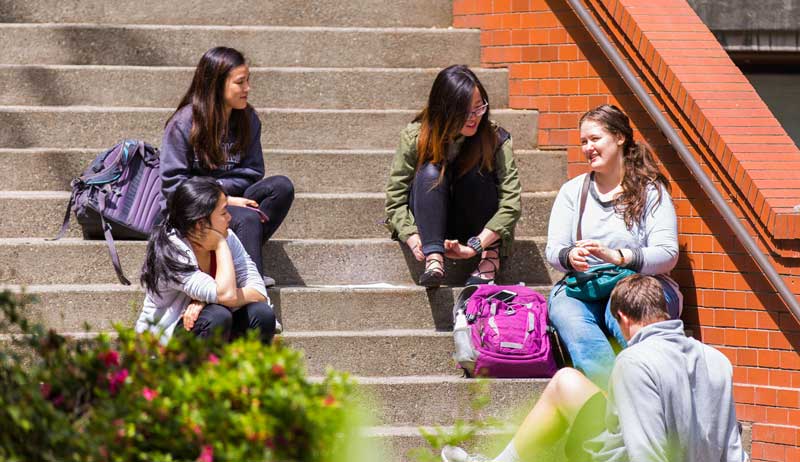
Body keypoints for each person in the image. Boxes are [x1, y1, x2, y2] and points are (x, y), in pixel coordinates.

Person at [442, 275, 748, 462]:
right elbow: (734, 449)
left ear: (623, 318)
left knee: (564, 383)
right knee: (566, 380)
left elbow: (646, 451)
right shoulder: (717, 359)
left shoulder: (635, 362)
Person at [545, 104, 681, 386]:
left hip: (639, 282)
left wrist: (618, 256)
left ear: (620, 138)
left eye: (595, 139)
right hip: (586, 284)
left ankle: (650, 389)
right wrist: (571, 256)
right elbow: (553, 250)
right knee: (567, 314)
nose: (587, 148)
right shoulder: (573, 191)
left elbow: (668, 254)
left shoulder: (650, 190)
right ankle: (615, 398)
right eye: (583, 141)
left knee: (621, 310)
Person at [160, 46, 294, 288]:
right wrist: (223, 199)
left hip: (230, 200)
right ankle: (252, 289)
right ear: (217, 84)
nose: (247, 89)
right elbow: (174, 184)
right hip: (194, 208)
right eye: (240, 82)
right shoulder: (184, 123)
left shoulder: (248, 119)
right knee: (247, 218)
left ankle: (238, 258)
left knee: (281, 187)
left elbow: (253, 172)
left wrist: (226, 196)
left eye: (248, 81)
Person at [385, 65, 521, 288]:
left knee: (476, 174)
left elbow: (511, 203)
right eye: (464, 112)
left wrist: (477, 246)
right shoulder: (416, 136)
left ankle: (491, 257)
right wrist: (411, 235)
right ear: (444, 110)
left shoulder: (495, 137)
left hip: (478, 231)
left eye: (479, 108)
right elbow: (395, 198)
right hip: (432, 226)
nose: (474, 118)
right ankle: (434, 259)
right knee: (430, 172)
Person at [136, 177, 276, 345]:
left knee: (261, 313)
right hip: (168, 338)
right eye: (224, 212)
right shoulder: (173, 250)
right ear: (200, 223)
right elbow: (226, 295)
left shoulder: (228, 236)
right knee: (217, 315)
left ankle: (243, 370)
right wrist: (219, 244)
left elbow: (259, 293)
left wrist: (203, 300)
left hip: (207, 321)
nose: (230, 217)